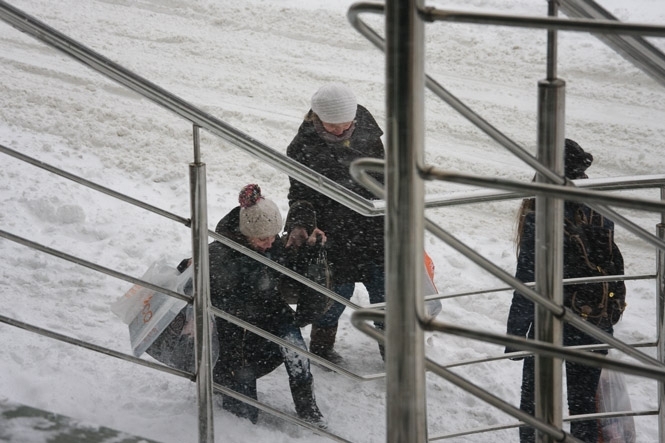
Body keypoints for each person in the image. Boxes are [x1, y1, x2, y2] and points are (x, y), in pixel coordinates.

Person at [506, 139, 625, 442]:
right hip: (593, 319)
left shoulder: (542, 210)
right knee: (585, 405)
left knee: (533, 401)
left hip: (551, 321)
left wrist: (517, 336)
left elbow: (527, 281)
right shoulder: (598, 204)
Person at [286, 83, 386, 363]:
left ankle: (394, 351)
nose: (341, 131)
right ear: (317, 119)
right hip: (331, 231)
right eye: (333, 127)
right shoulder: (300, 148)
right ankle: (321, 348)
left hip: (374, 228)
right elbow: (300, 193)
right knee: (333, 295)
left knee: (386, 294)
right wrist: (302, 223)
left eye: (347, 126)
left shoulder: (367, 132)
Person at [210, 183, 325, 426]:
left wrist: (310, 249)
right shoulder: (220, 252)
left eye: (274, 235)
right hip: (236, 323)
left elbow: (289, 265)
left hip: (272, 310)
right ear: (246, 232)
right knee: (243, 400)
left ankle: (308, 409)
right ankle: (238, 411)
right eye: (263, 238)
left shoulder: (271, 246)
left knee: (297, 352)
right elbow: (204, 284)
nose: (270, 243)